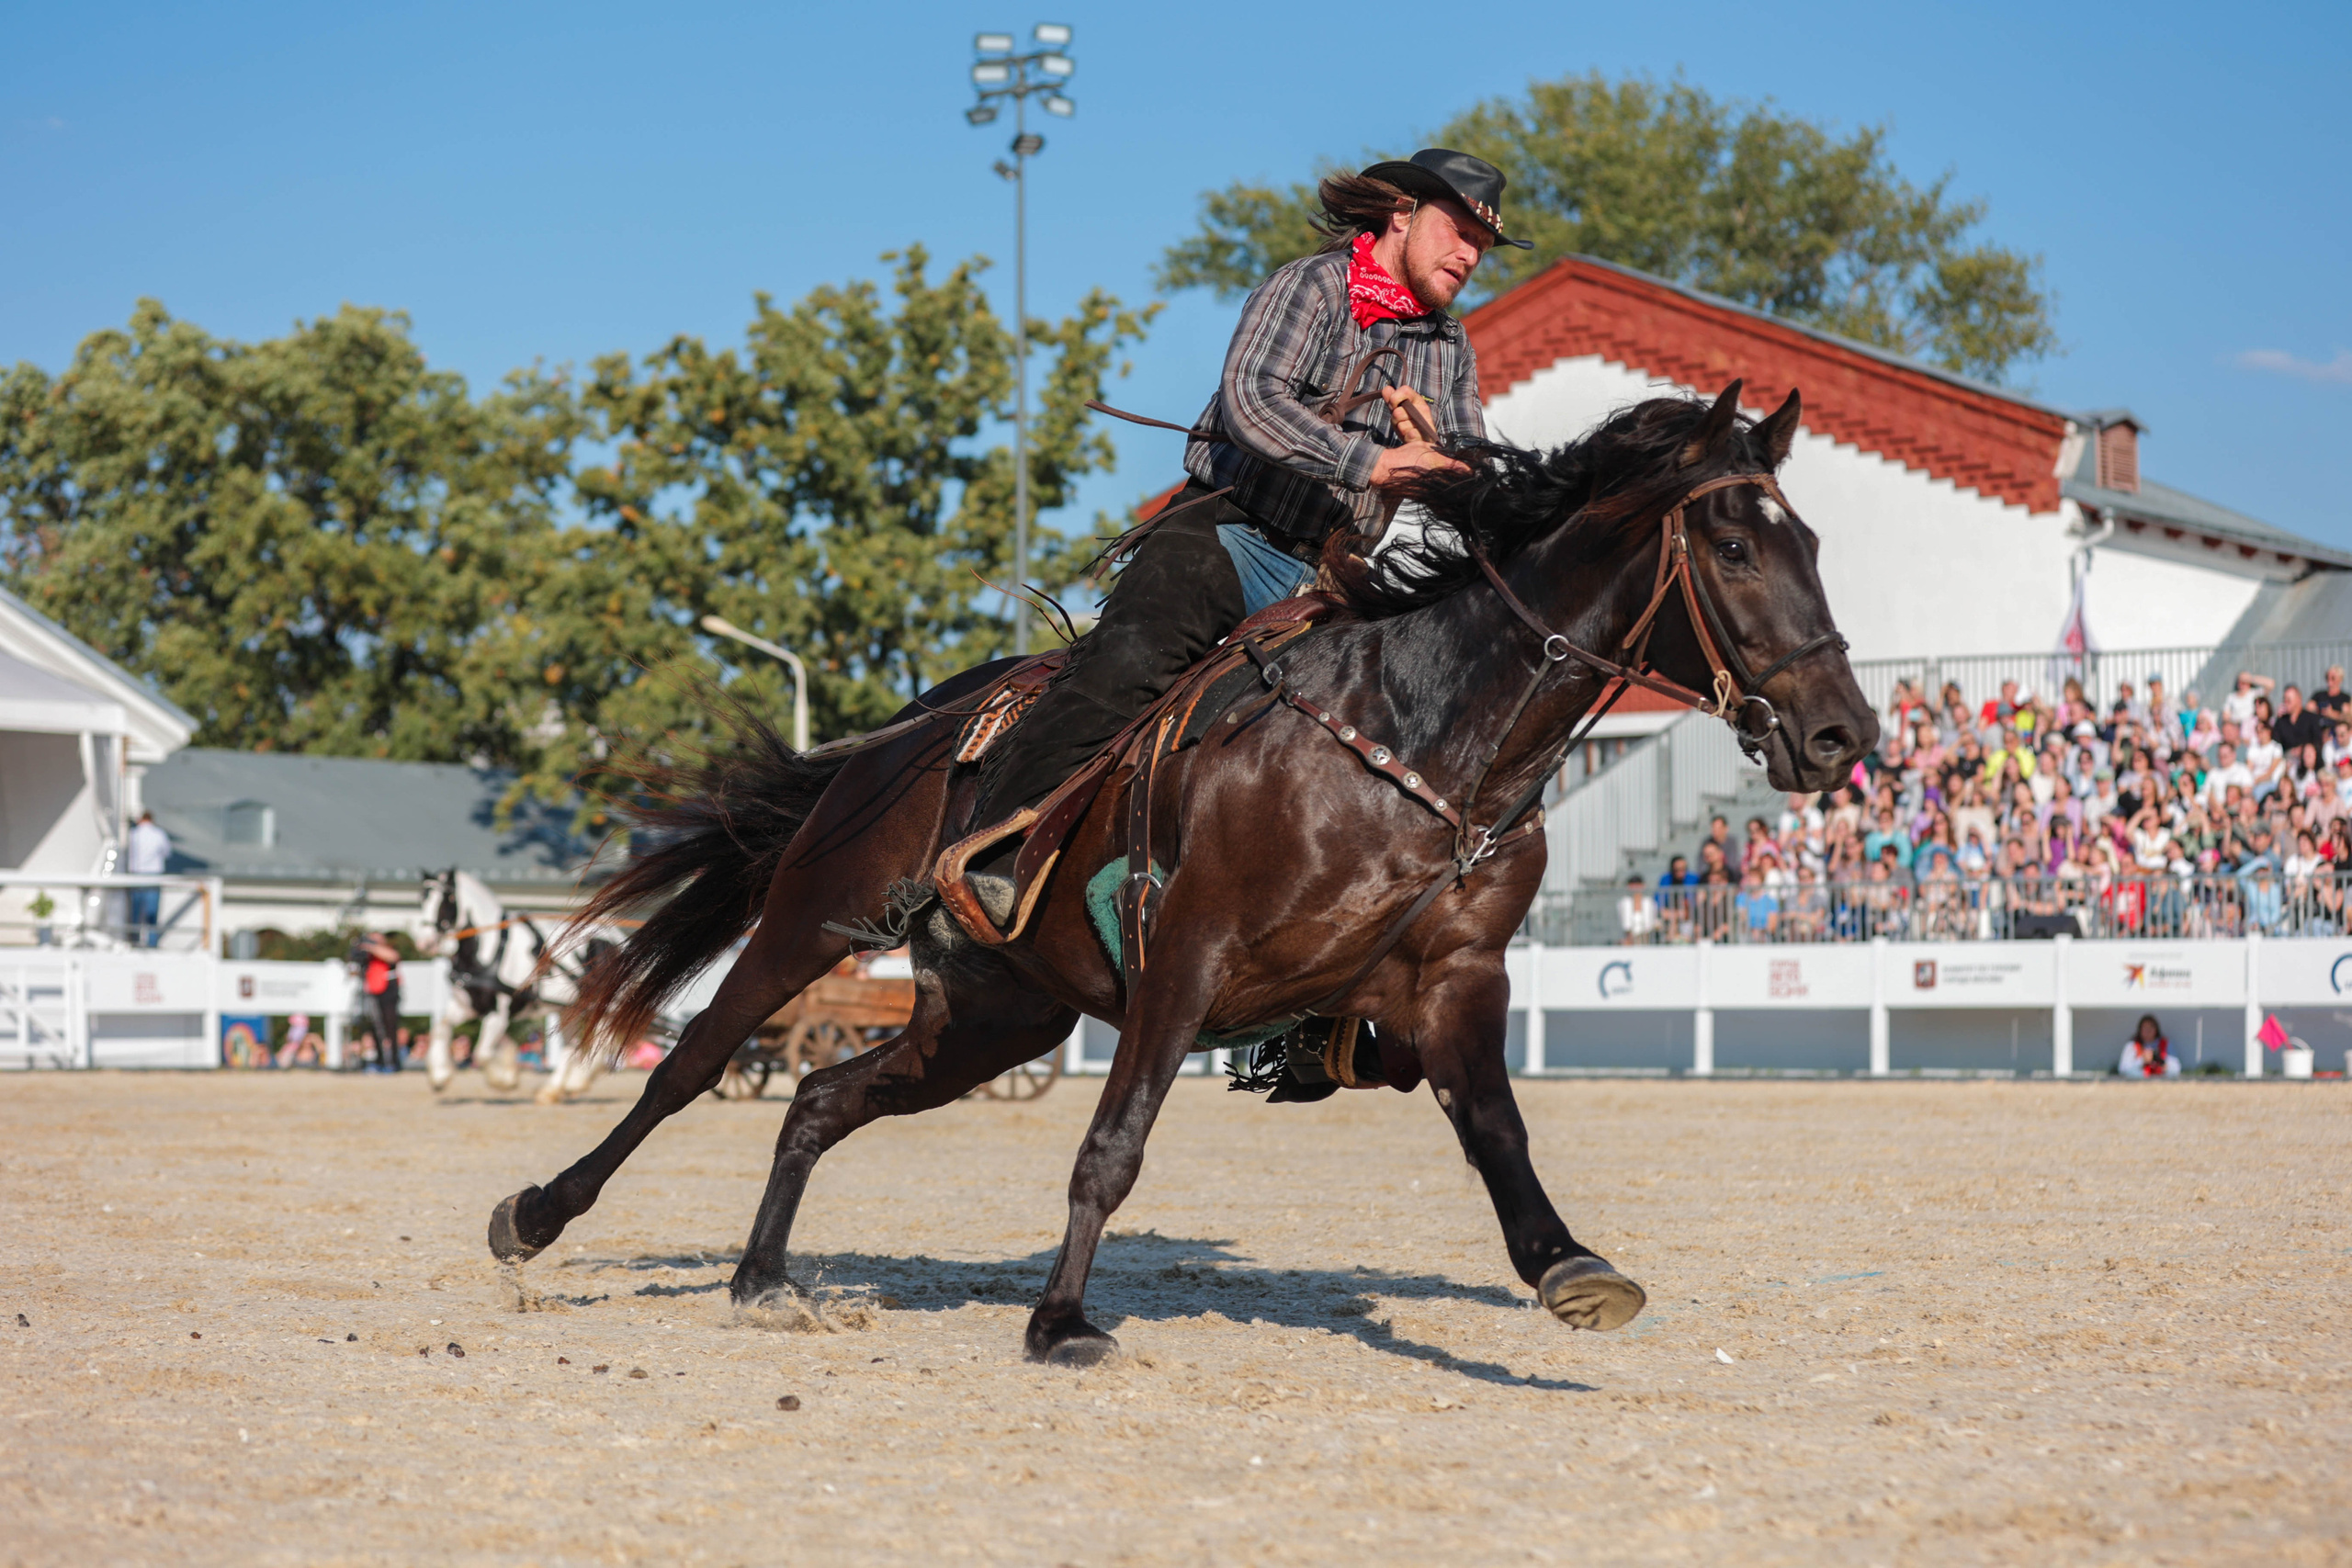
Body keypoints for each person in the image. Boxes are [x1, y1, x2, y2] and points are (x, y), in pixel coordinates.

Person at [965, 150, 1527, 861]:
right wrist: (1380, 462)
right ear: (1403, 214)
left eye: (1481, 245)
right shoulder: (1314, 286)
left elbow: (1474, 474)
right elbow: (1253, 401)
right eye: (1459, 232)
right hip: (1227, 532)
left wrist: (1446, 459)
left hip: (1336, 574)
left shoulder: (1450, 345)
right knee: (1122, 669)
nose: (1470, 256)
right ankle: (988, 857)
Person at [349, 931, 404, 1073]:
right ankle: (379, 1061)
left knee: (390, 1027)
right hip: (373, 992)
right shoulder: (368, 955)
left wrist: (370, 946)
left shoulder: (385, 950)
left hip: (389, 992)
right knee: (375, 1027)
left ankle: (393, 1062)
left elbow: (393, 957)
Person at [124, 810, 170, 947]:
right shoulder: (159, 834)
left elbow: (126, 852)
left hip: (136, 874)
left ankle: (133, 940)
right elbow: (166, 852)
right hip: (153, 875)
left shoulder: (133, 834)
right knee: (151, 913)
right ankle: (152, 943)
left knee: (135, 911)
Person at [2117, 1014, 2181, 1077]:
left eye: (2151, 1027)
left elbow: (2177, 1069)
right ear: (2140, 1030)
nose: (2148, 1031)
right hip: (2139, 1084)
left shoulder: (2166, 1044)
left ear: (2156, 1029)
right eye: (2145, 1028)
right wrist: (2142, 1060)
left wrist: (2163, 1064)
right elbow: (2123, 1069)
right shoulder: (2132, 1045)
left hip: (2161, 1083)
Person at [1617, 874, 1657, 943]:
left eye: (1638, 884)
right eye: (1632, 884)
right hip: (1630, 939)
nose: (1635, 887)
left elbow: (1650, 924)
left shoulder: (1649, 902)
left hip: (1646, 938)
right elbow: (1626, 925)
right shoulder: (1624, 902)